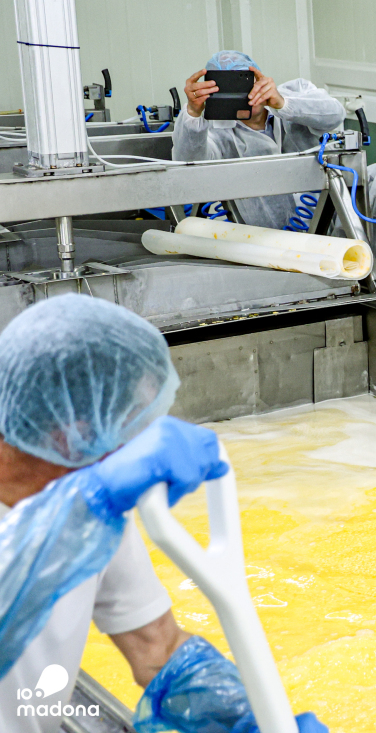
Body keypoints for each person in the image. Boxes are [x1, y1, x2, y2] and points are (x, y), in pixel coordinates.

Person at [0, 295, 325, 733]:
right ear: (72, 431)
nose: (137, 442)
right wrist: (91, 499)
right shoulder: (91, 500)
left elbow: (158, 649)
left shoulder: (94, 510)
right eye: (129, 424)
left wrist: (251, 718)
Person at [173, 50, 345, 230]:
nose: (243, 94)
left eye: (244, 82)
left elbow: (335, 115)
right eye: (229, 88)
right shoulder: (215, 131)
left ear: (257, 78)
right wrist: (193, 113)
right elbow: (189, 166)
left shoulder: (295, 92)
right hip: (262, 238)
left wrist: (283, 104)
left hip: (329, 229)